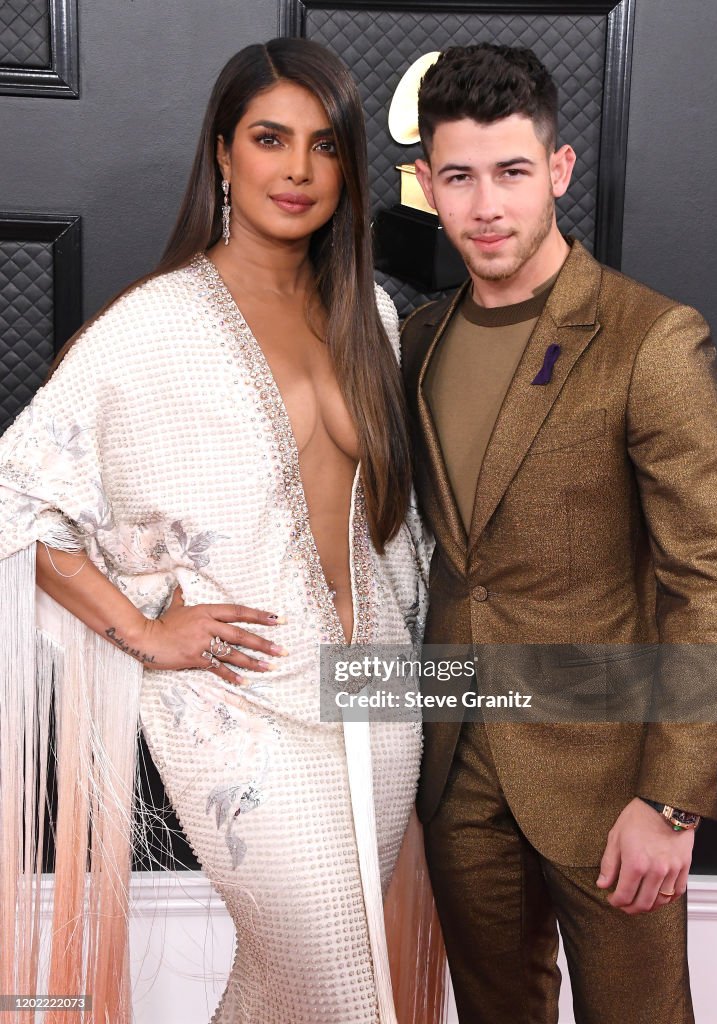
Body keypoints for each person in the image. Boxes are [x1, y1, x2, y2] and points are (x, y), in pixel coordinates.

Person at [0, 38, 446, 1024]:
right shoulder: (154, 327)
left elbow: (393, 530)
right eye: (270, 139)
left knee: (289, 989)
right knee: (335, 985)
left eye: (324, 146)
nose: (297, 170)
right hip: (239, 715)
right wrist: (144, 631)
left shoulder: (365, 311)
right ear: (222, 154)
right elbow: (16, 499)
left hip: (374, 703)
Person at [400, 42, 717, 1024]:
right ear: (427, 184)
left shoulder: (650, 339)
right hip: (456, 762)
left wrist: (672, 799)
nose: (486, 205)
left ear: (558, 169)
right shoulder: (416, 343)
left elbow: (708, 578)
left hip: (610, 777)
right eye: (459, 176)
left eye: (511, 172)